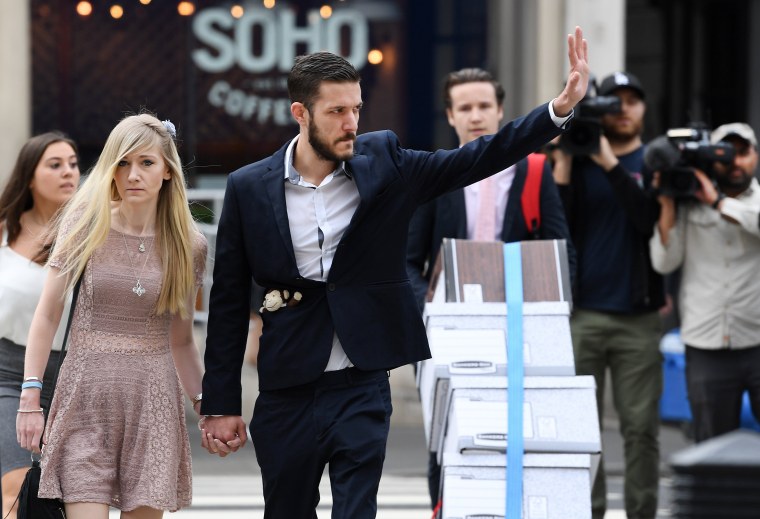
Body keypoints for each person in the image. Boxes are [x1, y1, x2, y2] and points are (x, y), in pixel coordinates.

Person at [200, 27, 589, 518]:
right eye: (336, 112)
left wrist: (556, 111)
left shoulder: (384, 162)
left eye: (356, 109)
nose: (351, 123)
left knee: (357, 511)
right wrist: (221, 402)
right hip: (287, 387)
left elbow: (476, 158)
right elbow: (229, 299)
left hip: (362, 381)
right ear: (300, 114)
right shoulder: (248, 186)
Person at [16, 114, 207, 519]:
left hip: (152, 403)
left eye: (146, 163)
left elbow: (182, 340)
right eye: (122, 163)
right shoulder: (85, 225)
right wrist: (30, 396)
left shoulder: (189, 245)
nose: (132, 174)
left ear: (168, 171)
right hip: (85, 399)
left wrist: (208, 405)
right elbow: (47, 316)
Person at [405, 67, 576, 507]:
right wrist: (425, 319)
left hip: (518, 328)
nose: (476, 115)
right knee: (447, 439)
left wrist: (556, 319)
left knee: (518, 437)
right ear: (450, 115)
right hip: (447, 330)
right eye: (465, 108)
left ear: (501, 111)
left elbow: (560, 252)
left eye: (484, 106)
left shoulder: (534, 172)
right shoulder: (432, 175)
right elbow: (407, 261)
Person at [551, 71, 664, 519]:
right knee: (583, 430)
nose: (623, 110)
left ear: (643, 109)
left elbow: (648, 220)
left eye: (632, 101)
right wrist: (563, 163)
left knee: (641, 429)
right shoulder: (577, 159)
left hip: (638, 316)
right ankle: (588, 512)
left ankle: (641, 513)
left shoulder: (655, 162)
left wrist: (611, 166)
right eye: (614, 102)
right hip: (584, 315)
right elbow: (556, 228)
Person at [650, 122, 760, 443]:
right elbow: (663, 262)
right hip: (706, 345)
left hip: (756, 338)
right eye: (725, 154)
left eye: (742, 153)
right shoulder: (688, 202)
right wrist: (668, 203)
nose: (735, 162)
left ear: (754, 156)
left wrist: (717, 203)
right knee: (711, 444)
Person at [0, 132, 79, 519]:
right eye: (55, 164)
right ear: (30, 177)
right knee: (16, 487)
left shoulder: (89, 231)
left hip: (76, 374)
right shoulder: (2, 231)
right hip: (9, 373)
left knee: (69, 496)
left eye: (73, 164)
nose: (69, 172)